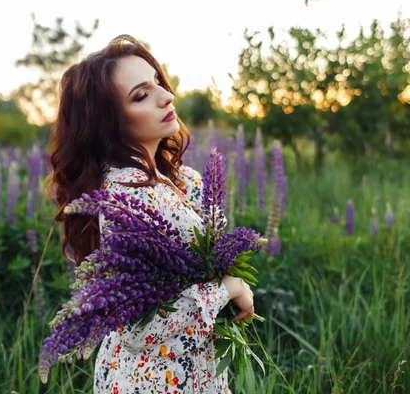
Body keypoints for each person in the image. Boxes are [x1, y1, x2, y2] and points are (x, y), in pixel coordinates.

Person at [46, 34, 255, 393]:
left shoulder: (176, 178)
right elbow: (137, 328)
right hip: (154, 382)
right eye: (141, 95)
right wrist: (226, 288)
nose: (166, 96)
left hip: (190, 371)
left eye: (158, 82)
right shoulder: (126, 198)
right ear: (108, 122)